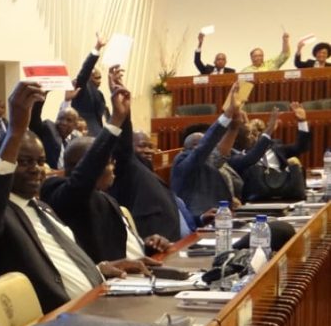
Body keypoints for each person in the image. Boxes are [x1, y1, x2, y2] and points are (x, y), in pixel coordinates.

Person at [0, 82, 147, 313]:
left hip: (100, 300)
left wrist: (98, 269)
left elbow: (59, 264)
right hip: (63, 322)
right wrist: (15, 132)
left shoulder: (43, 207)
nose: (35, 169)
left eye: (40, 162)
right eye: (24, 162)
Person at [40, 70, 171, 264]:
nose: (114, 164)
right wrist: (115, 120)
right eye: (107, 161)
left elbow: (124, 250)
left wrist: (148, 245)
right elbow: (85, 174)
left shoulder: (107, 198)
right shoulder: (60, 194)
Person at [172, 82, 247, 218]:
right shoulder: (182, 162)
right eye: (204, 144)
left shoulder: (206, 162)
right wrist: (228, 114)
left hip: (219, 217)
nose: (212, 148)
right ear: (194, 147)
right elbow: (205, 148)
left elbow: (221, 154)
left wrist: (234, 126)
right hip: (197, 221)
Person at [108, 130, 185, 242]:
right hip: (152, 242)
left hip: (171, 243)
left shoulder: (148, 170)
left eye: (151, 147)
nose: (149, 151)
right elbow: (124, 145)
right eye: (142, 146)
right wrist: (123, 117)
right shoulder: (128, 166)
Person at [239, 102, 310, 202]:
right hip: (255, 199)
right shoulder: (240, 155)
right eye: (250, 133)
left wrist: (302, 121)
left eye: (257, 132)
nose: (253, 136)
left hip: (283, 195)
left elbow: (301, 147)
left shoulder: (275, 148)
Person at [29, 96, 80, 169]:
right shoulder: (48, 129)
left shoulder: (76, 140)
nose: (64, 123)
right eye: (60, 119)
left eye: (69, 120)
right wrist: (40, 98)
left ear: (75, 125)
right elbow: (34, 118)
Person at [72, 34, 108, 136]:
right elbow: (85, 70)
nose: (99, 81)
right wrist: (97, 48)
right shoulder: (81, 89)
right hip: (84, 135)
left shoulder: (99, 94)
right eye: (96, 78)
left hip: (98, 134)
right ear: (89, 77)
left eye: (100, 78)